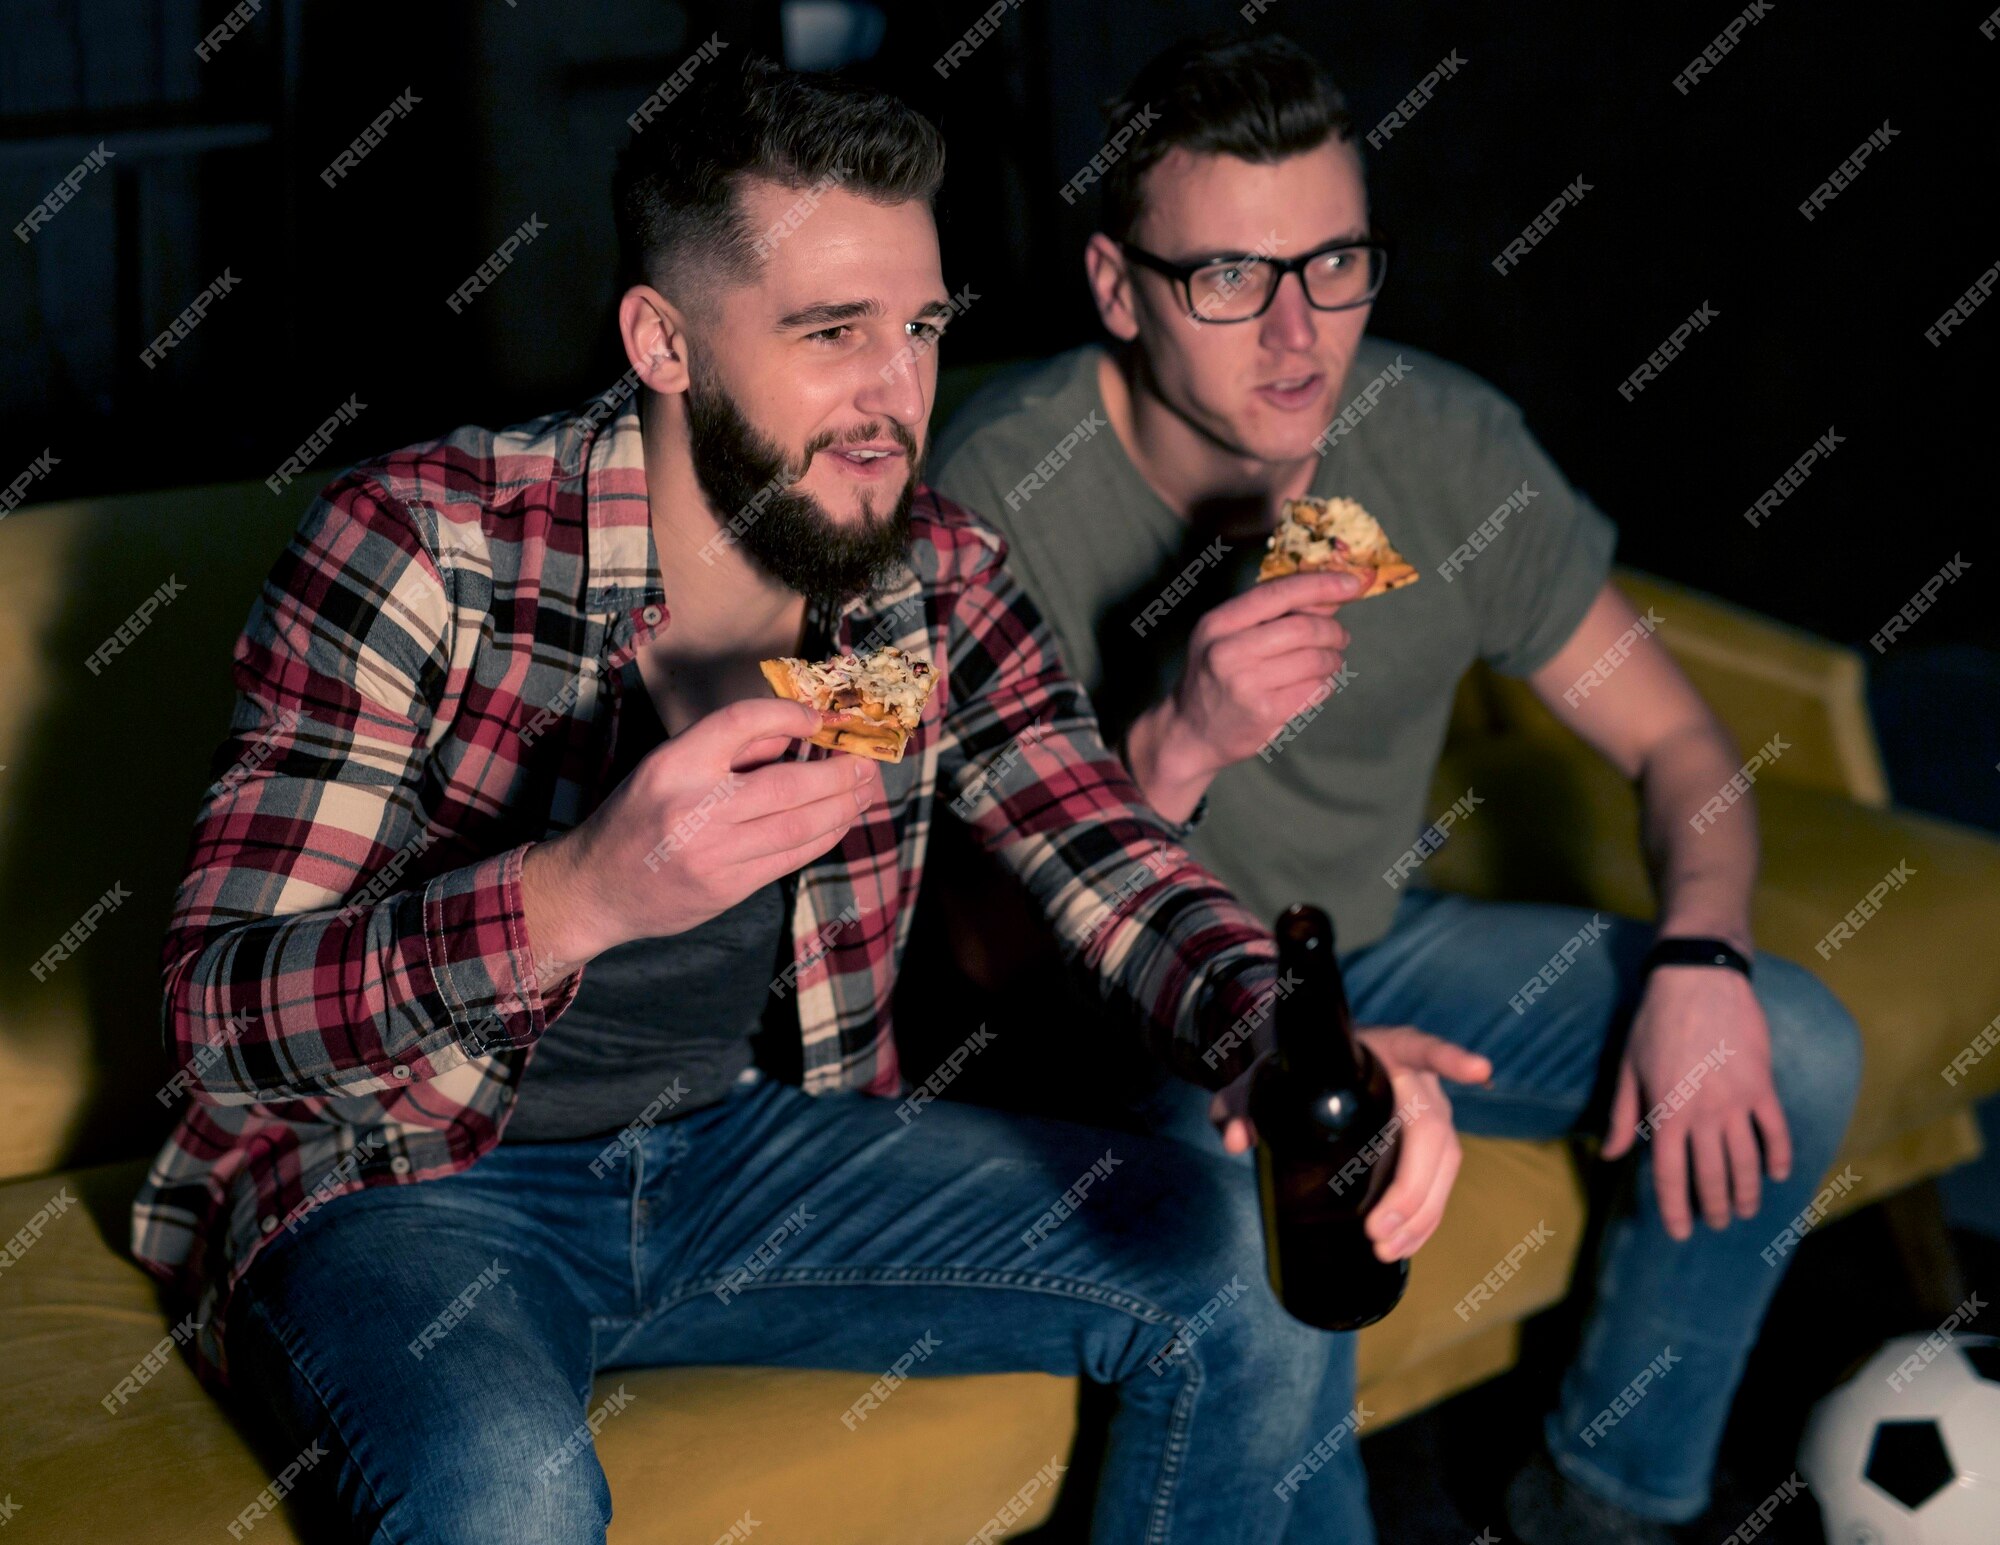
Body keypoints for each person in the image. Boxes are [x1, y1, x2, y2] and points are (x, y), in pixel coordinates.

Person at [128, 57, 1489, 1545]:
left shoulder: (929, 573)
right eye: (830, 334)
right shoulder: (424, 545)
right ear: (662, 339)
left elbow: (1100, 839)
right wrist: (574, 895)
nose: (892, 399)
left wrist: (1272, 1035)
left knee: (1239, 1257)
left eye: (917, 329)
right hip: (405, 1178)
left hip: (746, 1145)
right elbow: (219, 1015)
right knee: (506, 1488)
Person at [930, 32, 1863, 1545]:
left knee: (1795, 1039)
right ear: (1118, 288)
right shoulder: (997, 495)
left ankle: (1604, 1506)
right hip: (1133, 1017)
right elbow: (992, 971)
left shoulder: (1436, 443)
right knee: (1294, 1190)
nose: (1299, 334)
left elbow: (1688, 752)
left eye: (1336, 263)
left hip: (1362, 940)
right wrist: (1175, 740)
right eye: (1229, 277)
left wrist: (1701, 958)